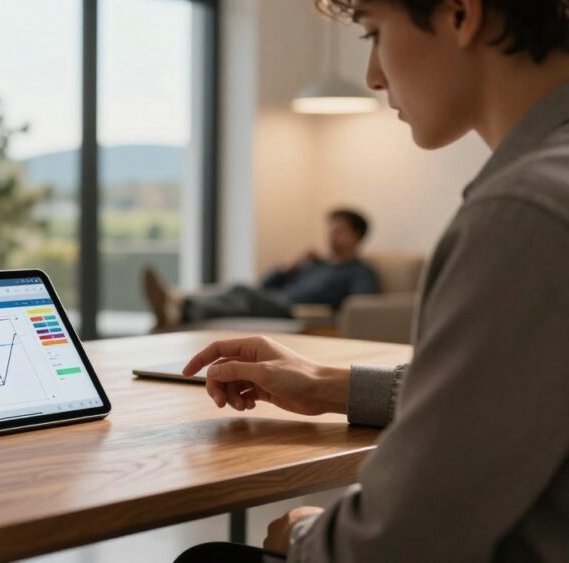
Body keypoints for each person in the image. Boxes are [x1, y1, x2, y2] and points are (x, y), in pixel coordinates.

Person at [176, 0, 569, 561]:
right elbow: (513, 390)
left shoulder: (524, 213)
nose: (373, 77)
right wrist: (320, 381)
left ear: (461, 14)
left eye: (372, 34)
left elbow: (399, 541)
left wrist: (309, 535)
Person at [143, 209, 379, 330]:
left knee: (243, 292)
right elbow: (265, 284)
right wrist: (290, 266)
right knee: (241, 292)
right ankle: (180, 306)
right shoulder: (317, 263)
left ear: (356, 236)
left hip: (300, 312)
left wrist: (325, 313)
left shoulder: (360, 271)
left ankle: (180, 305)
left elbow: (360, 306)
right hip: (277, 301)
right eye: (330, 229)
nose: (330, 235)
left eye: (338, 230)